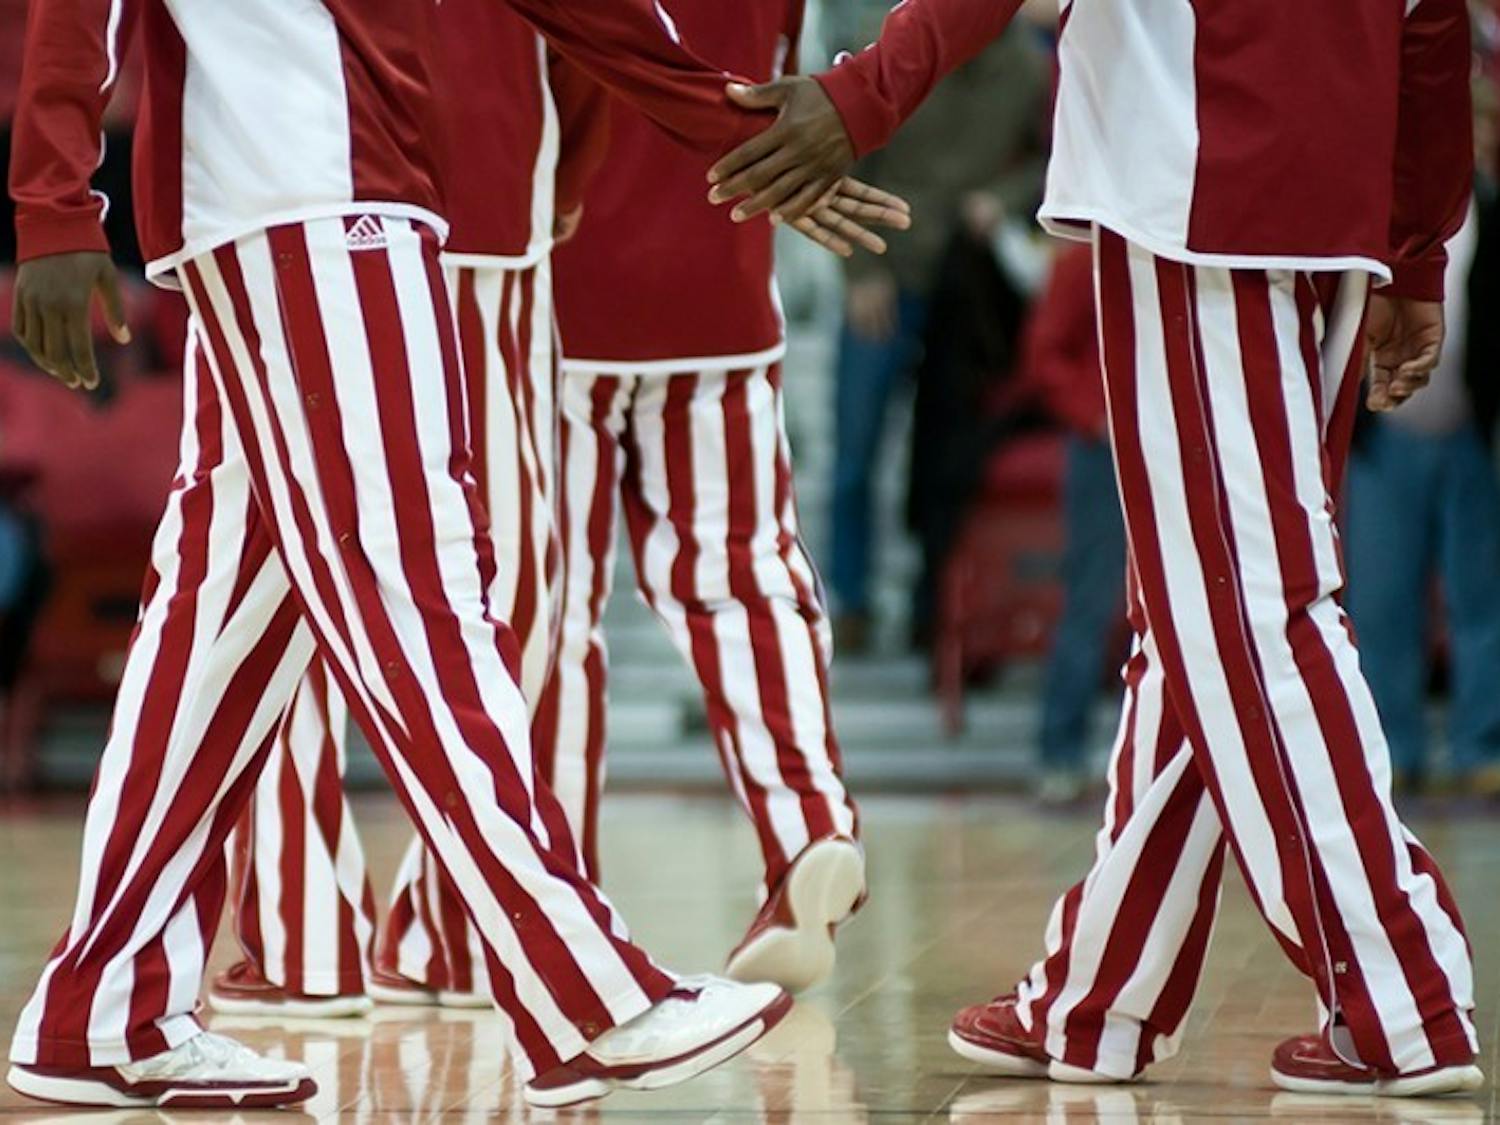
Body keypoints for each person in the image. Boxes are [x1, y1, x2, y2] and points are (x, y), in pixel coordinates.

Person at [3, 0, 902, 1110]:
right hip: (306, 196)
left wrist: (733, 131)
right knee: (418, 589)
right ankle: (589, 998)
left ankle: (103, 1010)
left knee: (220, 631)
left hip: (343, 196)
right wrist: (54, 208)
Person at [709, 0, 1482, 1101]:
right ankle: (1099, 998)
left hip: (1195, 192)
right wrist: (1413, 253)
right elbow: (1431, 25)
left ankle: (1404, 997)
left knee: (1249, 616)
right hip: (1332, 207)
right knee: (1198, 625)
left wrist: (864, 90)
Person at [204, 0, 608, 1020]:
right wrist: (573, 165)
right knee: (507, 577)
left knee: (292, 562)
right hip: (497, 183)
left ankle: (308, 941)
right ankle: (473, 944)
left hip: (313, 176)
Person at [543, 0, 864, 994]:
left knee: (545, 610)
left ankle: (535, 901)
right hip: (725, 267)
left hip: (563, 274)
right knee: (749, 579)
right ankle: (807, 828)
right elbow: (779, 70)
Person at [824, 27, 1046, 653]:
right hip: (885, 280)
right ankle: (852, 600)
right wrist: (859, 274)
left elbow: (1047, 162)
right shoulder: (895, 53)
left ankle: (933, 606)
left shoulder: (1025, 73)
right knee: (854, 454)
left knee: (945, 453)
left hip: (962, 293)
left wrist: (997, 200)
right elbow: (841, 160)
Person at [1344, 82, 1500, 796]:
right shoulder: (1369, 212)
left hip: (1473, 433)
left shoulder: (1493, 210)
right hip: (1384, 436)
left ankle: (1480, 746)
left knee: (1483, 601)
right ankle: (1391, 749)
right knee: (1380, 602)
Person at [1023, 242, 1124, 804]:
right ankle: (1059, 751)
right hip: (1103, 450)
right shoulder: (1082, 260)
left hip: (1167, 443)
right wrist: (1095, 413)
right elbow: (1045, 355)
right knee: (1090, 600)